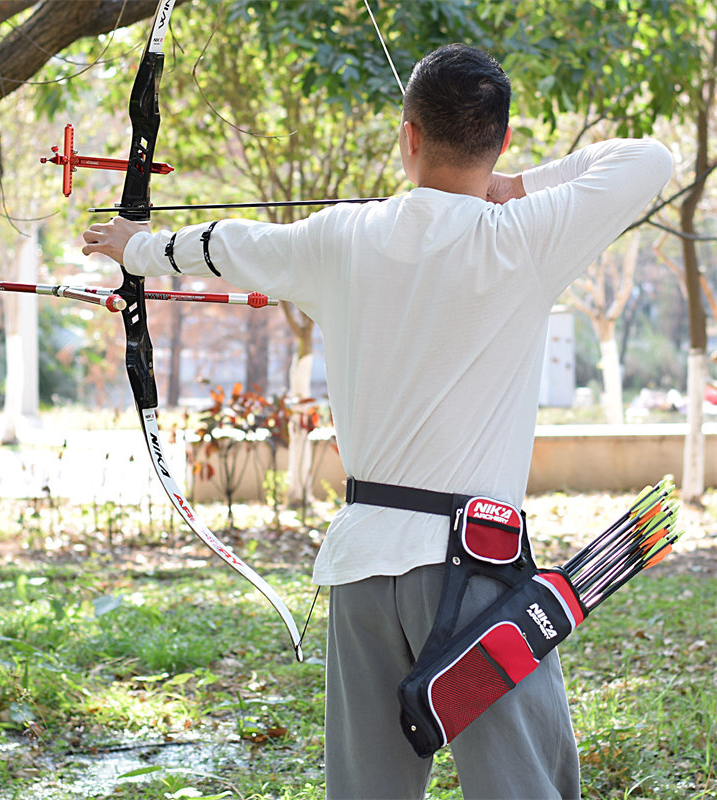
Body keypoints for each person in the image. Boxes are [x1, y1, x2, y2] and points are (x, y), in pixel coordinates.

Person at [82, 43, 672, 800]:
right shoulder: (525, 237)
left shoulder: (342, 238)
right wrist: (518, 185)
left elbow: (232, 247)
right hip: (475, 575)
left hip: (363, 570)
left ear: (410, 135)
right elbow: (648, 159)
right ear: (501, 138)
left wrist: (139, 246)